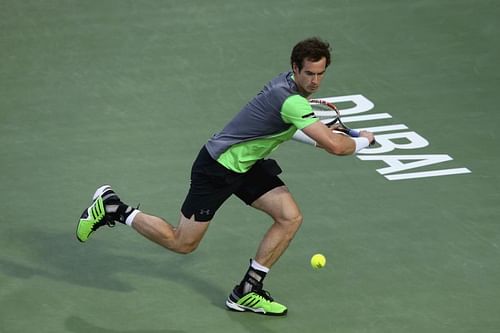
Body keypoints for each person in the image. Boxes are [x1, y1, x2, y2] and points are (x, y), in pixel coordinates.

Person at [76, 37, 375, 316]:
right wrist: (362, 140)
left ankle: (247, 290)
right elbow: (337, 147)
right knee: (183, 243)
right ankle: (114, 207)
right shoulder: (292, 101)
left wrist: (320, 138)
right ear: (295, 68)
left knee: (289, 217)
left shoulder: (288, 88)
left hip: (246, 165)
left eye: (321, 74)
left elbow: (291, 130)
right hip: (217, 168)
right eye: (309, 73)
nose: (315, 81)